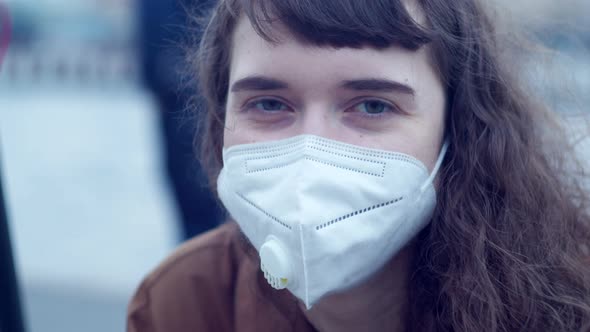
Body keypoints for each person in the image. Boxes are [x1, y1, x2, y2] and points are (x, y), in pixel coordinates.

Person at [127, 0, 590, 331]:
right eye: (268, 103)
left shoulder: (571, 296)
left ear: (457, 127)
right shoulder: (182, 303)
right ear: (219, 120)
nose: (312, 151)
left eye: (372, 107)